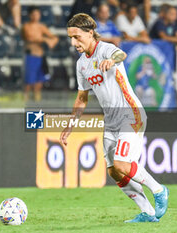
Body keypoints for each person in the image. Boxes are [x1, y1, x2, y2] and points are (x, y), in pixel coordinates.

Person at [61, 13, 169, 223]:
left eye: (77, 37)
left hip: (130, 112)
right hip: (110, 119)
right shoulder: (81, 64)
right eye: (70, 38)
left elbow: (122, 55)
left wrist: (111, 60)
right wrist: (70, 125)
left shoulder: (105, 49)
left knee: (122, 164)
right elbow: (82, 99)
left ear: (90, 33)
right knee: (113, 171)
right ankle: (147, 212)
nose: (73, 42)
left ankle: (159, 189)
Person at [22, 6, 58, 102]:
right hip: (31, 57)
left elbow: (54, 38)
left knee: (39, 83)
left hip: (40, 57)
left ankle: (37, 103)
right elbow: (30, 38)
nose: (36, 16)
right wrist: (45, 39)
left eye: (37, 14)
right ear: (30, 15)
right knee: (29, 83)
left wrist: (51, 42)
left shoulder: (41, 27)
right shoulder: (26, 26)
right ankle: (24, 102)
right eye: (34, 14)